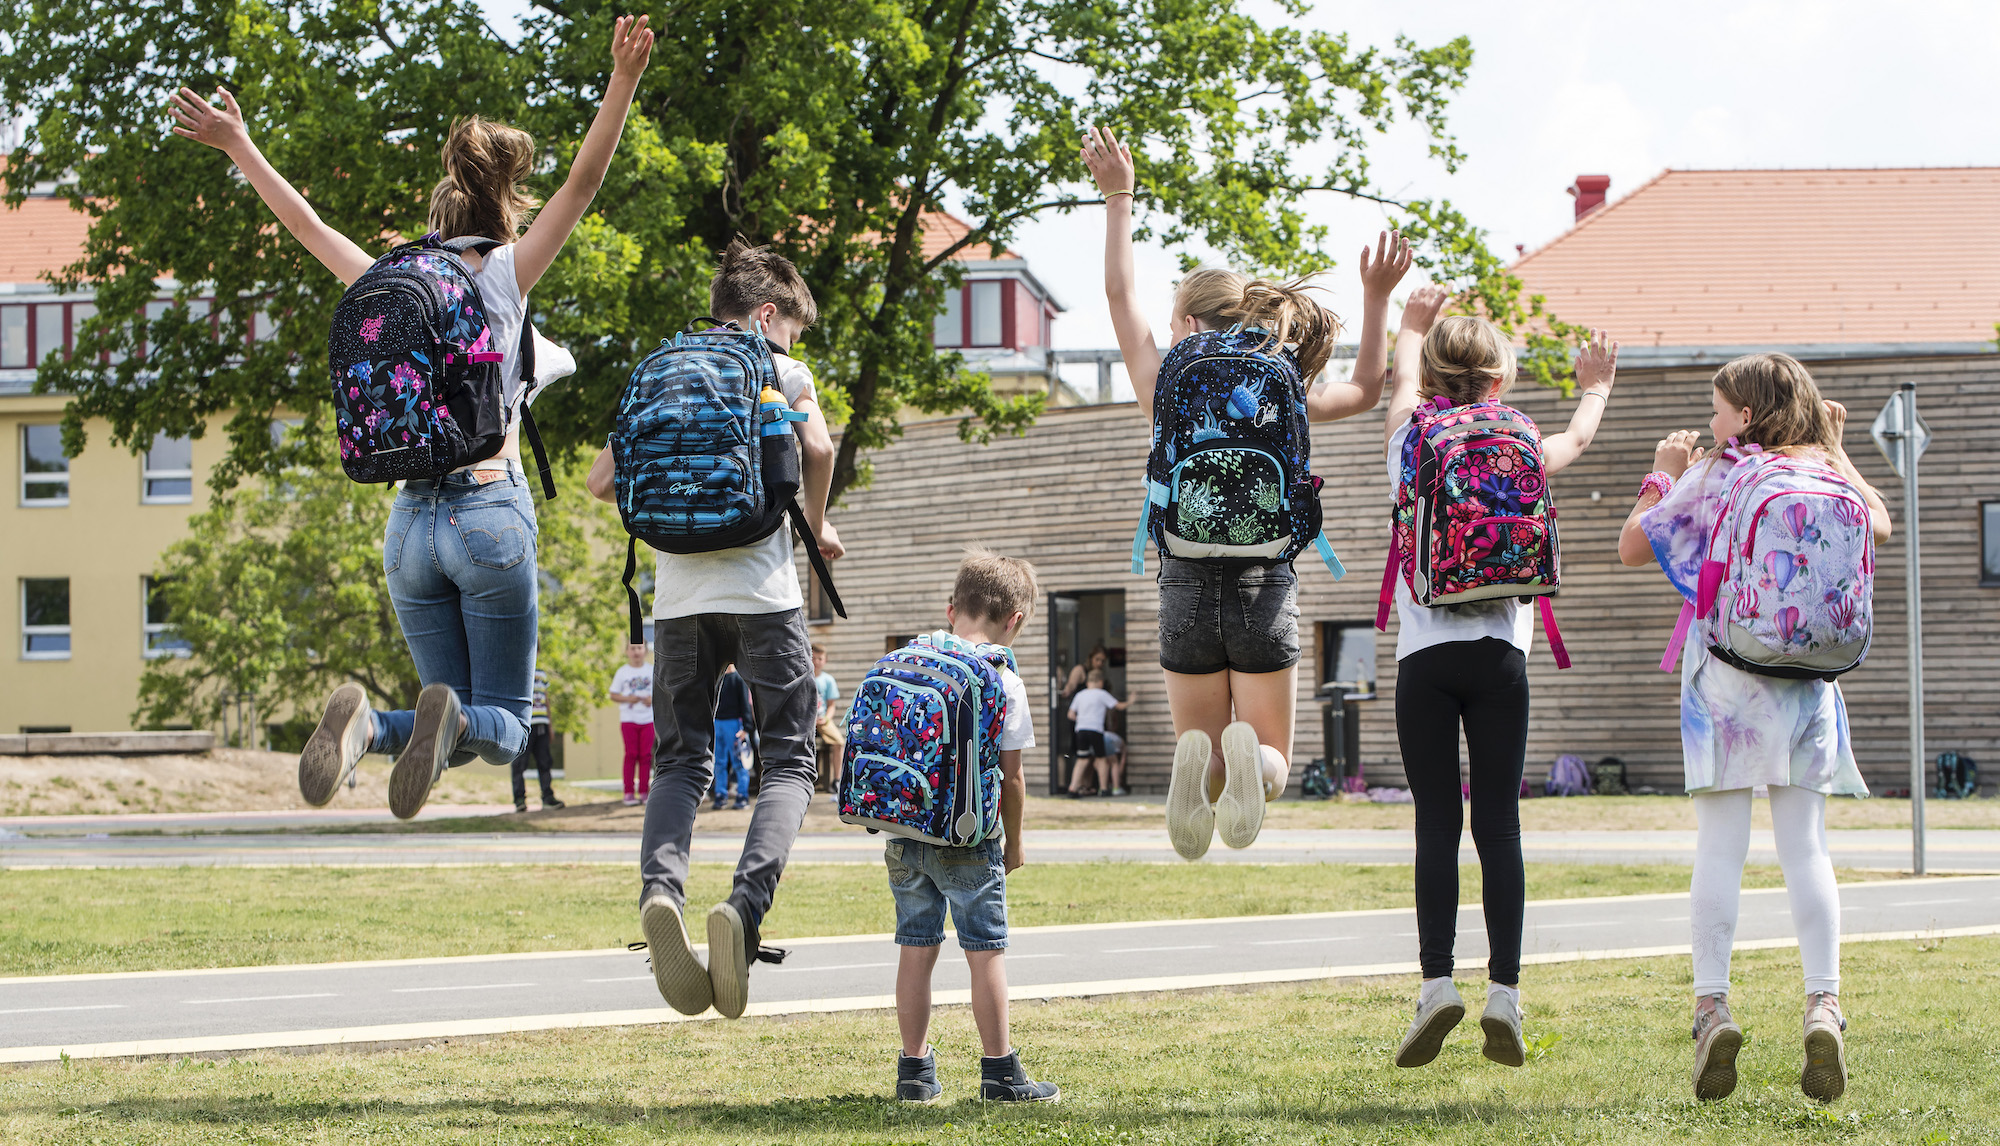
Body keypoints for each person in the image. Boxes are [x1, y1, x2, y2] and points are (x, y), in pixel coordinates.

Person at [180, 17, 657, 819]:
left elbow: (306, 227)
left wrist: (239, 146)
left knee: (449, 716)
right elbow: (581, 185)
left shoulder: (393, 276)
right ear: (504, 216)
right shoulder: (505, 278)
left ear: (436, 224)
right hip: (489, 511)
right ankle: (421, 722)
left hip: (408, 527)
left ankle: (369, 727)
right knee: (501, 723)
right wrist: (623, 81)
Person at [1082, 124, 1410, 860]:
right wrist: (1377, 296)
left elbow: (1116, 290)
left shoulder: (1164, 379)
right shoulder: (1286, 378)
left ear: (1191, 324)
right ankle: (1246, 766)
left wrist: (1119, 196)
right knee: (1274, 762)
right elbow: (1362, 389)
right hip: (1265, 579)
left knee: (1201, 742)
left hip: (1184, 578)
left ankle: (1196, 765)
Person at [1618, 353, 1889, 1103]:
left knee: (1722, 848)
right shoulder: (1828, 472)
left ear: (1743, 416)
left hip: (1726, 685)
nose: (1710, 423)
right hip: (1809, 685)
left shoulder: (1721, 471)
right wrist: (1837, 448)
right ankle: (1824, 1003)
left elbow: (1633, 546)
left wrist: (1662, 473)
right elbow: (1880, 522)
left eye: (1716, 410)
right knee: (1807, 848)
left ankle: (1712, 1007)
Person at [585, 239, 842, 1021]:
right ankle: (742, 908)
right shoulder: (778, 370)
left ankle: (661, 891)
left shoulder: (663, 371)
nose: (793, 343)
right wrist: (817, 526)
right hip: (764, 595)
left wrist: (678, 516)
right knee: (790, 762)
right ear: (768, 314)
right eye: (792, 327)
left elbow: (602, 482)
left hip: (680, 600)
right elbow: (820, 448)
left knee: (680, 761)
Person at [1382, 285, 1618, 1070]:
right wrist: (1596, 387)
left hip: (1424, 657)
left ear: (1434, 377)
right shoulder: (1520, 436)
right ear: (1500, 380)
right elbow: (1576, 443)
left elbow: (1399, 389)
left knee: (1436, 827)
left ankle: (1435, 986)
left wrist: (1408, 328)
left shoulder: (1413, 440)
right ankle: (1506, 995)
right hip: (1500, 657)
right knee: (1500, 829)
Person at [891, 548, 1059, 1104]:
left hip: (904, 829)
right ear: (1014, 621)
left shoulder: (911, 658)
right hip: (969, 834)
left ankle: (914, 1072)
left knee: (916, 948)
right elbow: (1012, 779)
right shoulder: (1001, 678)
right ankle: (1000, 1073)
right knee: (985, 950)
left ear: (950, 608)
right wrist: (1013, 844)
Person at [1064, 669, 1130, 798]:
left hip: (1081, 730)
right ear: (1100, 682)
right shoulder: (1102, 694)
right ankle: (1104, 789)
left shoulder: (1080, 695)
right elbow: (1119, 706)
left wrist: (1082, 720)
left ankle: (1072, 789)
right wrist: (1131, 701)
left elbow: (1070, 714)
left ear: (1088, 683)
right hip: (1095, 730)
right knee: (1101, 759)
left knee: (1082, 760)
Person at [511, 665, 564, 813]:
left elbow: (546, 700)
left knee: (545, 762)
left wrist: (550, 725)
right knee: (519, 763)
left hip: (541, 723)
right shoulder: (516, 671)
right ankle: (519, 799)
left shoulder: (541, 674)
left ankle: (547, 797)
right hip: (524, 724)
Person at [609, 644, 654, 806]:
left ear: (645, 651)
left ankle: (644, 791)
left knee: (646, 756)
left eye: (639, 648)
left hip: (648, 719)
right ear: (627, 651)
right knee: (631, 754)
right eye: (632, 648)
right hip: (629, 718)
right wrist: (629, 699)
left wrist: (652, 700)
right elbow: (613, 694)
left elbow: (661, 693)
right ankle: (628, 792)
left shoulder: (651, 670)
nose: (636, 651)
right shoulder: (623, 672)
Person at [711, 664, 753, 811]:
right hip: (717, 724)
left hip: (734, 724)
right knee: (719, 762)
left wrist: (747, 727)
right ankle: (720, 795)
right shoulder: (717, 678)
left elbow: (745, 704)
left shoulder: (738, 679)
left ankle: (742, 795)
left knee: (739, 761)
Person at [812, 644, 844, 792]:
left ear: (825, 660)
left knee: (839, 742)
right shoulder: (804, 677)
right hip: (805, 721)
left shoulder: (828, 680)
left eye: (820, 658)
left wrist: (826, 718)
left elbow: (831, 705)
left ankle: (836, 779)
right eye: (813, 658)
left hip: (822, 719)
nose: (816, 661)